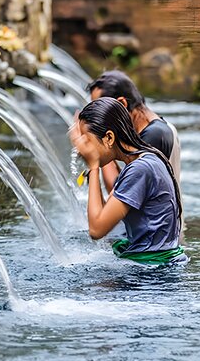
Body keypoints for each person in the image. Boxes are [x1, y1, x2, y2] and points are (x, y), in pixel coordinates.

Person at [69, 97, 186, 265]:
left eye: (87, 140)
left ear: (109, 138)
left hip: (154, 274)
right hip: (155, 263)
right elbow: (103, 214)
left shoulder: (140, 170)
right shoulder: (144, 159)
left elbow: (96, 229)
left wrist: (93, 166)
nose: (82, 148)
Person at [87, 71, 181, 193]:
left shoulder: (153, 137)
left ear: (122, 104)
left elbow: (118, 193)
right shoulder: (156, 128)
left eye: (100, 111)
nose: (98, 119)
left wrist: (100, 148)